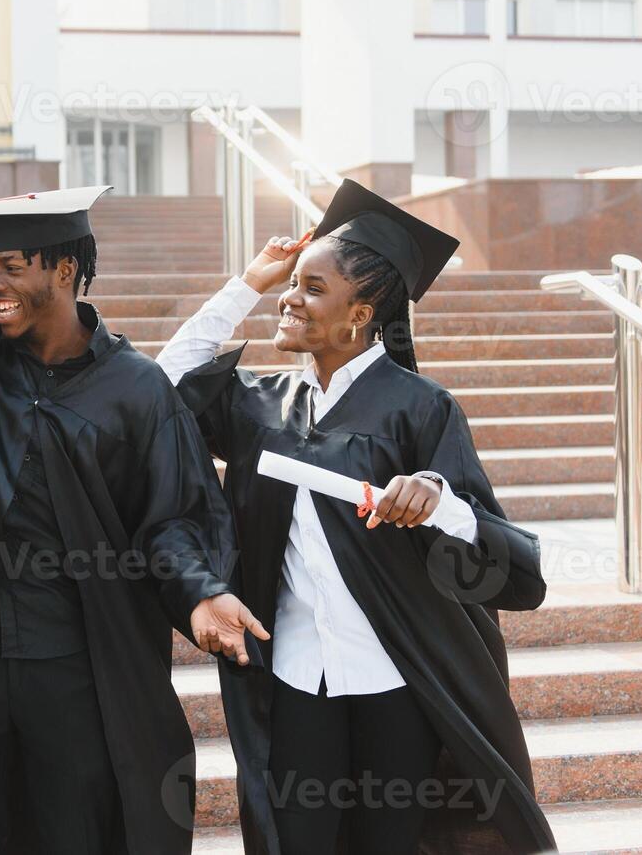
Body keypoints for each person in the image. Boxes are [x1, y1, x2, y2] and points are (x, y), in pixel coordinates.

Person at [0, 0, 265, 855]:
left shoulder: (137, 391)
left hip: (82, 660)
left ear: (66, 272)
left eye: (13, 268)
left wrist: (202, 593)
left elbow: (175, 517)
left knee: (81, 829)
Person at [157, 180, 556, 854]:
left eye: (313, 289)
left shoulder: (420, 408)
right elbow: (159, 391)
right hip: (294, 677)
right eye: (294, 285)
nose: (291, 297)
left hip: (395, 682)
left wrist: (437, 500)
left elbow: (506, 562)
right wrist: (248, 284)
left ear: (361, 312)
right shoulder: (259, 403)